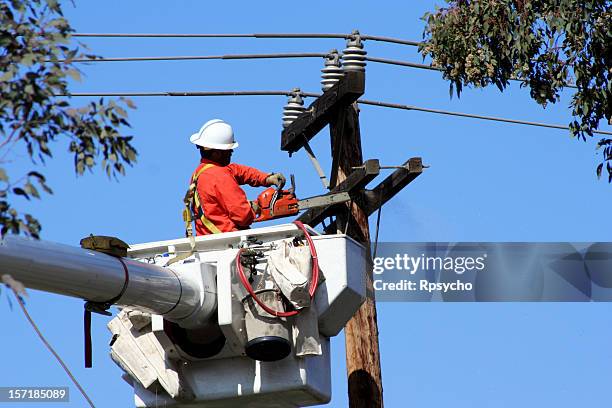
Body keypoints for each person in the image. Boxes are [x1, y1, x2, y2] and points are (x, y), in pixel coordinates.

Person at [187, 119, 286, 236]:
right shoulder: (219, 176)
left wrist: (266, 178)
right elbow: (242, 215)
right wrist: (253, 208)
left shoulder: (200, 173)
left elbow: (239, 171)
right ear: (217, 153)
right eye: (228, 150)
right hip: (227, 241)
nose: (232, 152)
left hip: (207, 241)